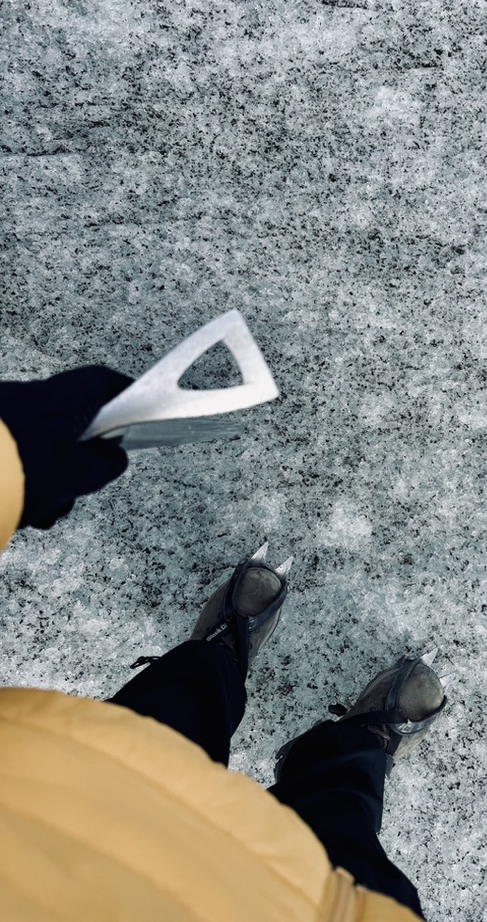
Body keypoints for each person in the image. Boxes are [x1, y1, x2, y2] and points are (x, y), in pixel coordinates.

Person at [0, 366, 448, 921]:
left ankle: (217, 658)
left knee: (171, 718)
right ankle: (356, 750)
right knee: (340, 816)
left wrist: (10, 453)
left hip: (56, 804)